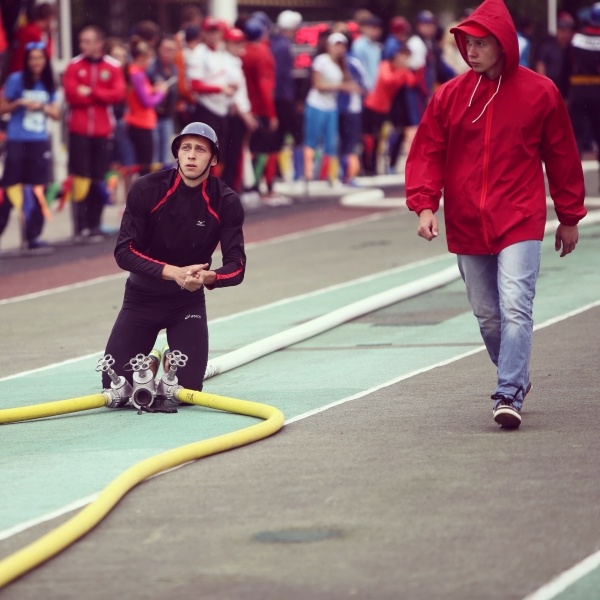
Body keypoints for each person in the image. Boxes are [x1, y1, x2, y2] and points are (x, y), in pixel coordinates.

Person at [405, 0, 587, 430]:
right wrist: (425, 205)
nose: (470, 50)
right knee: (488, 315)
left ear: (504, 45)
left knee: (516, 306)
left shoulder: (541, 92)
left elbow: (562, 155)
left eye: (481, 43)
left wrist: (570, 216)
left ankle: (508, 392)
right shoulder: (449, 96)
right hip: (467, 221)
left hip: (520, 218)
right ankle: (516, 374)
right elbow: (428, 152)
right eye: (467, 42)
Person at [101, 122, 246, 396]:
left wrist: (208, 277)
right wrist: (174, 273)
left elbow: (237, 266)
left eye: (200, 150)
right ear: (177, 154)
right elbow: (123, 251)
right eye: (186, 148)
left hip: (186, 303)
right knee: (115, 388)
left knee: (186, 391)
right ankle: (154, 358)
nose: (191, 155)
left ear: (213, 159)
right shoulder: (147, 188)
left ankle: (170, 356)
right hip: (142, 298)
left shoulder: (226, 202)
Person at [63, 25, 125, 241]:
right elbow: (72, 95)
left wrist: (91, 91)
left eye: (88, 41)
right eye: (82, 41)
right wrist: (100, 94)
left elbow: (117, 94)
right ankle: (80, 227)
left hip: (102, 130)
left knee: (98, 177)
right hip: (78, 130)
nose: (83, 46)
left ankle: (95, 224)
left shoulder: (113, 66)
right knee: (80, 178)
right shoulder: (73, 65)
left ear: (99, 43)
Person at [0, 41, 59, 251]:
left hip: (38, 142)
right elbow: (2, 108)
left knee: (37, 188)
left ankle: (32, 236)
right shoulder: (16, 79)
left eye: (40, 58)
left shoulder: (48, 82)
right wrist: (19, 103)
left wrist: (41, 107)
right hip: (17, 140)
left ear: (45, 60)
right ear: (27, 60)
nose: (36, 62)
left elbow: (56, 114)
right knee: (9, 187)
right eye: (32, 58)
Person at [565, 3, 600, 187]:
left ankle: (576, 185)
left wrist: (564, 93)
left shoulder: (576, 38)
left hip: (577, 90)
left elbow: (566, 66)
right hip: (598, 91)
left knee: (576, 138)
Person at [124, 37, 168, 177]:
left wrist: (154, 90)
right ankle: (143, 196)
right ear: (142, 57)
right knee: (145, 165)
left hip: (139, 121)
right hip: (141, 123)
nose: (150, 63)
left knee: (142, 164)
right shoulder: (137, 74)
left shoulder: (134, 72)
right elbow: (147, 102)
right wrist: (161, 93)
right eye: (149, 59)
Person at [147, 35, 179, 169]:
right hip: (153, 117)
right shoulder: (151, 68)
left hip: (167, 116)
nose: (169, 53)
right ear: (159, 49)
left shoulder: (173, 69)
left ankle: (164, 187)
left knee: (166, 155)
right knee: (154, 155)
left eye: (172, 50)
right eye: (166, 49)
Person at [534, 12, 575, 98]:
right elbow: (540, 66)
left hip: (568, 91)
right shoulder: (547, 47)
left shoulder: (573, 49)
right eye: (560, 30)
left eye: (565, 31)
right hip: (550, 89)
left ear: (570, 32)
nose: (562, 34)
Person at [7, 2, 55, 75]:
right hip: (24, 76)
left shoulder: (23, 30)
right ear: (49, 19)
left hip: (12, 72)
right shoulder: (36, 34)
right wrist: (50, 37)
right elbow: (47, 55)